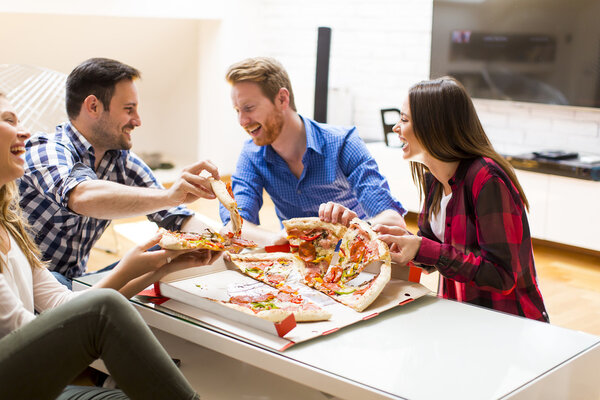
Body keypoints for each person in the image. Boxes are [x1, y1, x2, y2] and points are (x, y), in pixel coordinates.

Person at [1, 91, 213, 399]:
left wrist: (160, 267)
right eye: (9, 121)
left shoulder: (9, 223)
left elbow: (62, 306)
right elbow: (31, 332)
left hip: (33, 364)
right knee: (103, 308)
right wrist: (128, 267)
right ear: (93, 107)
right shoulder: (51, 150)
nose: (25, 131)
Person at [323, 77, 549, 322]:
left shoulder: (487, 179)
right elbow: (437, 253)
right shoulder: (435, 179)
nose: (396, 128)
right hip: (464, 318)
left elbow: (502, 276)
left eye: (404, 120)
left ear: (433, 126)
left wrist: (423, 248)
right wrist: (401, 243)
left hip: (508, 324)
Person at [18, 58, 221, 288]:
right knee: (54, 280)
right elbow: (81, 195)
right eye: (128, 109)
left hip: (75, 283)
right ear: (93, 106)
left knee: (170, 251)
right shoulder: (46, 150)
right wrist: (169, 195)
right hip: (29, 285)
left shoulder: (121, 161)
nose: (137, 121)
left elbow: (176, 216)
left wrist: (217, 242)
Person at [221, 57, 407, 245]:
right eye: (237, 110)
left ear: (282, 99)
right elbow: (234, 226)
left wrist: (353, 228)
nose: (242, 121)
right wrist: (279, 238)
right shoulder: (252, 154)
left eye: (249, 108)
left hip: (354, 258)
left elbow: (393, 221)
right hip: (298, 264)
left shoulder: (343, 142)